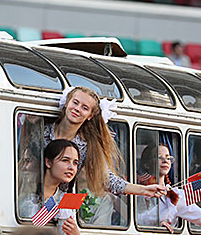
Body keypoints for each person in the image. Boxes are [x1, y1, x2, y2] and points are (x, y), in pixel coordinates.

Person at [43, 86, 165, 221]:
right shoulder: (41, 131)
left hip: (60, 201)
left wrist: (144, 190)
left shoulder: (87, 146)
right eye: (75, 103)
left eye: (85, 108)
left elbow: (107, 179)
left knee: (67, 232)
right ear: (66, 103)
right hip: (31, 192)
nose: (77, 109)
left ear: (90, 116)